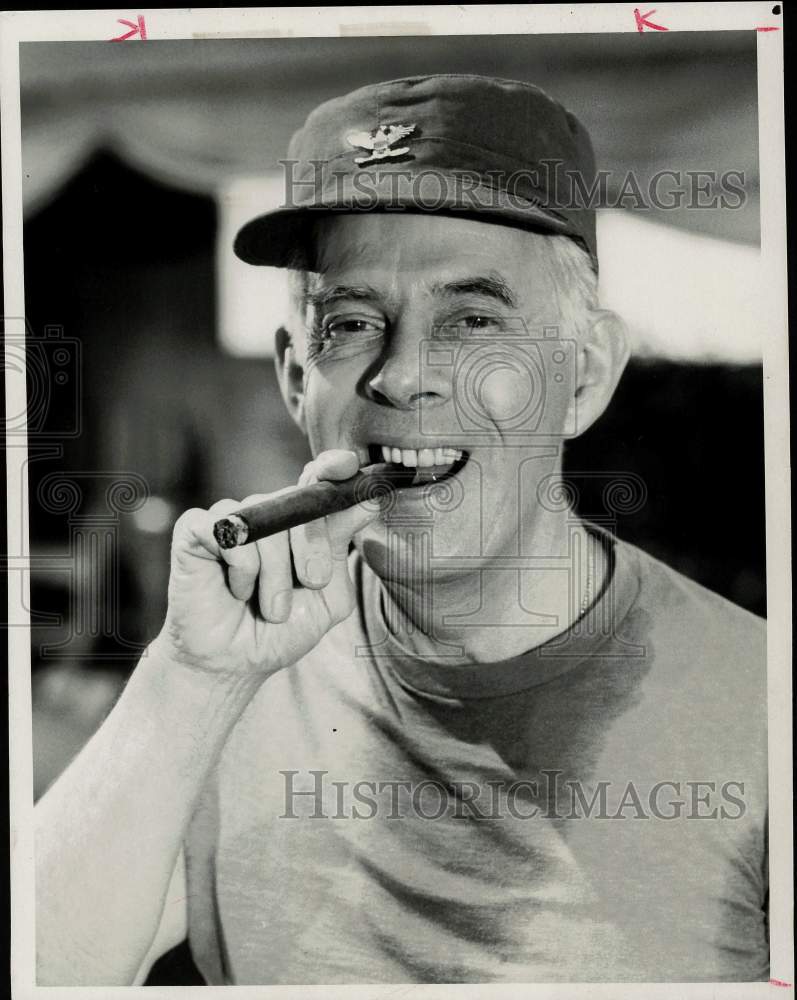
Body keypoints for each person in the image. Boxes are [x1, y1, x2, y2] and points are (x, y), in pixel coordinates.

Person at [35, 74, 768, 986]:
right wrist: (188, 680)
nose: (404, 374)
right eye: (349, 323)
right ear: (297, 381)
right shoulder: (225, 698)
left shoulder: (762, 713)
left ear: (582, 375)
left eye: (471, 319)